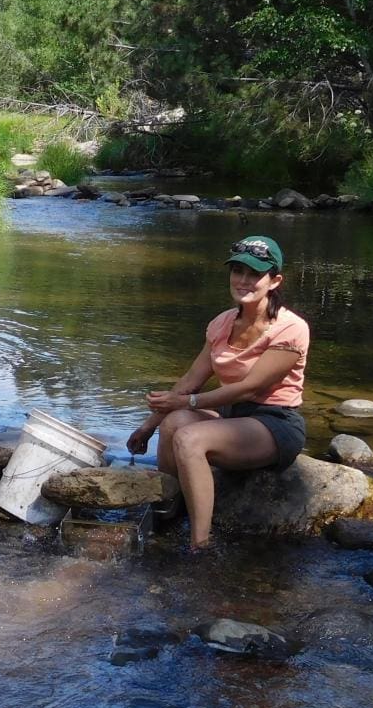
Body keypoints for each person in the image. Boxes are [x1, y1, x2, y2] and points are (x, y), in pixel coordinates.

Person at [126, 234, 310, 550]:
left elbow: (249, 387)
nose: (243, 280)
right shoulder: (222, 323)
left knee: (189, 437)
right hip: (231, 419)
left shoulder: (290, 328)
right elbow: (190, 380)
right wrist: (147, 427)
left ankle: (200, 545)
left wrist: (188, 401)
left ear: (275, 280)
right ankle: (166, 511)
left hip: (274, 423)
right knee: (174, 424)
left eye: (254, 274)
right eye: (237, 271)